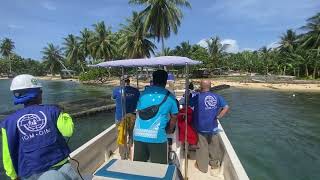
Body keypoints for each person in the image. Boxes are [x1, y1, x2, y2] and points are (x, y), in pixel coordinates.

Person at [0, 74, 80, 180]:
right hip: (60, 162)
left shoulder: (7, 123)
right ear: (37, 94)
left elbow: (8, 154)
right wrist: (63, 113)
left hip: (30, 171)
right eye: (41, 91)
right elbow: (68, 131)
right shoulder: (53, 111)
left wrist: (13, 175)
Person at [133, 70, 178, 164]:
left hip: (138, 135)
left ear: (153, 80)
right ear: (165, 81)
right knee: (159, 169)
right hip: (157, 137)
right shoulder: (170, 97)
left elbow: (138, 111)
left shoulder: (143, 94)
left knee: (138, 167)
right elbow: (174, 117)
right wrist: (169, 129)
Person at [190, 80, 229, 173]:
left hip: (200, 127)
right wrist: (218, 116)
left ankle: (203, 167)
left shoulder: (197, 97)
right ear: (210, 86)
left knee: (202, 147)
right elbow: (226, 107)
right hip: (213, 126)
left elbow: (188, 104)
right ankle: (214, 165)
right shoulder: (217, 96)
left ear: (200, 86)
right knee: (214, 146)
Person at [112, 76, 140, 159]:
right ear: (129, 81)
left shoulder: (116, 90)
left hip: (120, 117)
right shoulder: (136, 91)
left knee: (121, 136)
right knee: (131, 135)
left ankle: (123, 155)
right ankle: (131, 151)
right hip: (132, 116)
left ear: (121, 81)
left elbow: (113, 97)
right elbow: (139, 100)